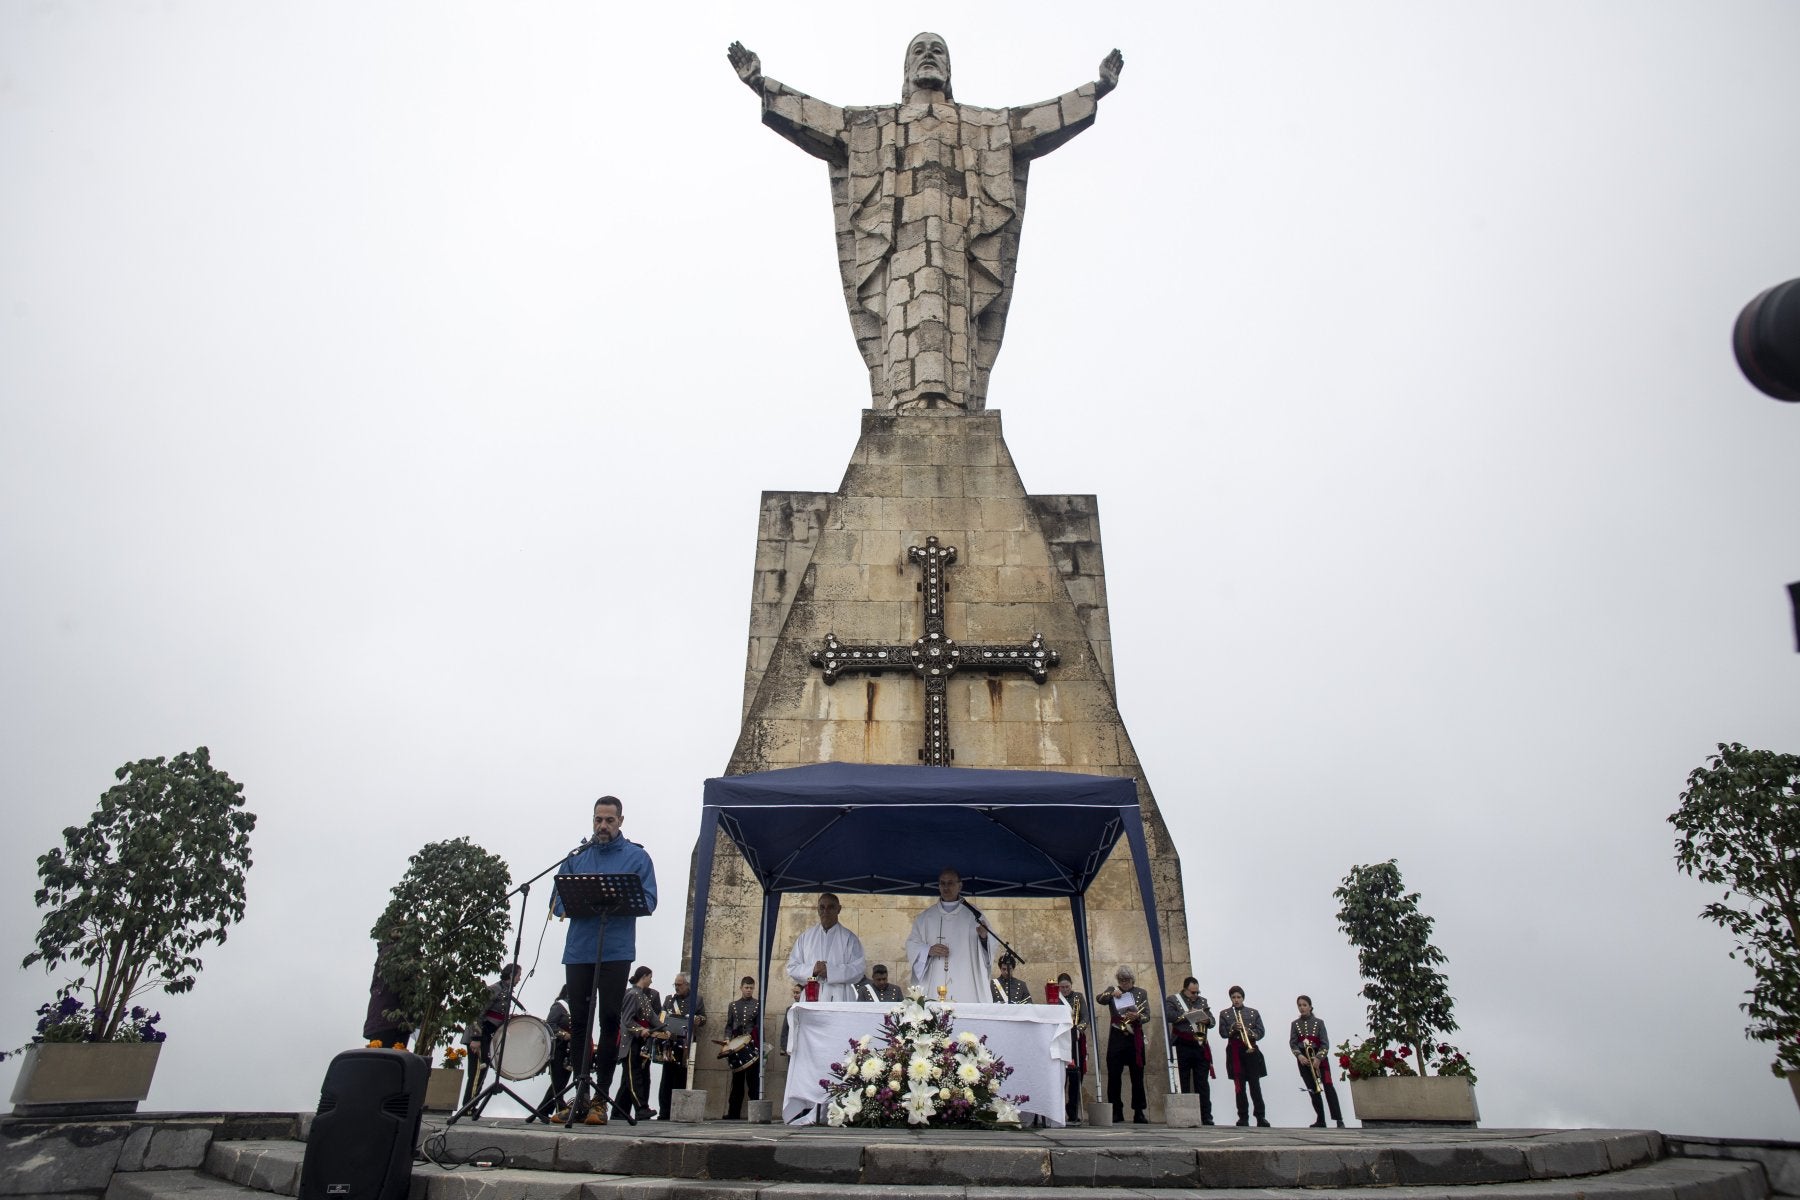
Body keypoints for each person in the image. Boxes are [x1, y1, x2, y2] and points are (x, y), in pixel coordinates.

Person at [726, 34, 1124, 412]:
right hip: (900, 251)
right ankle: (903, 404)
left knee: (958, 320)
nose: (928, 55)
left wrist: (1096, 90)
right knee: (901, 319)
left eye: (937, 50)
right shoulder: (876, 124)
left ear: (949, 70)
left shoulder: (982, 125)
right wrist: (762, 85)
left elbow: (1036, 122)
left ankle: (956, 405)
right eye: (918, 50)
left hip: (959, 253)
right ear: (905, 70)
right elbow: (824, 122)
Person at [552, 794, 658, 1126]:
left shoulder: (637, 857)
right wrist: (566, 903)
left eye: (609, 820)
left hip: (615, 951)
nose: (603, 826)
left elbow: (650, 899)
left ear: (621, 822)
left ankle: (601, 1100)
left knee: (610, 1020)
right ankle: (580, 1097)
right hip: (579, 950)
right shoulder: (577, 857)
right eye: (598, 819)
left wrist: (616, 898)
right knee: (581, 1023)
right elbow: (556, 901)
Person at [904, 867, 992, 1001]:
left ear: (960, 885)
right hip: (934, 978)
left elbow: (989, 951)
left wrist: (984, 938)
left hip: (966, 979)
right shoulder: (925, 918)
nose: (946, 887)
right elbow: (912, 945)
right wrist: (928, 950)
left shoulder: (973, 916)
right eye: (942, 883)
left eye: (950, 883)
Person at [784, 893, 867, 1001]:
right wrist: (812, 970)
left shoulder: (850, 939)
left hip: (841, 997)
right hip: (812, 994)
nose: (825, 911)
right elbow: (792, 967)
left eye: (831, 907)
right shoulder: (805, 937)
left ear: (839, 909)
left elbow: (858, 969)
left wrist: (831, 971)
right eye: (822, 907)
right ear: (817, 910)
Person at [613, 966, 667, 1121]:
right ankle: (640, 1108)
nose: (651, 980)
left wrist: (665, 1029)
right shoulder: (632, 994)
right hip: (630, 1042)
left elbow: (651, 1017)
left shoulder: (642, 996)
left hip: (638, 1042)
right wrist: (640, 1030)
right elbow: (627, 1020)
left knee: (635, 1077)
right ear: (644, 976)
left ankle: (632, 1110)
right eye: (650, 977)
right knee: (632, 1077)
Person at [1097, 965, 1150, 1124]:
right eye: (1121, 980)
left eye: (1127, 980)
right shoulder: (1113, 990)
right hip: (1117, 1035)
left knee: (1137, 1076)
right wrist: (1111, 993)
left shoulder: (1141, 993)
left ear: (1132, 980)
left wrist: (1137, 1016)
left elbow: (1147, 1015)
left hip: (1134, 1036)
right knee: (1114, 1075)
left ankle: (1139, 1111)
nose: (1124, 983)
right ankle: (1116, 1111)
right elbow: (1100, 999)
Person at [1165, 977, 1215, 1125]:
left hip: (1199, 1044)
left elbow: (1212, 1020)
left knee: (1202, 1083)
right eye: (1192, 992)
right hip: (1182, 1044)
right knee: (1184, 1080)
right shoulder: (1174, 999)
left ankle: (1206, 1115)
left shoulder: (1202, 1001)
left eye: (1197, 992)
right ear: (1185, 990)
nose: (1195, 995)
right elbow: (1170, 1016)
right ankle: (1186, 1115)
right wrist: (1187, 1015)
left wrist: (1206, 1020)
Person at [1290, 995, 1345, 1128]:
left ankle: (1338, 1119)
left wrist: (1319, 1058)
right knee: (1312, 1089)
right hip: (1304, 1060)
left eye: (1304, 1005)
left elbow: (1325, 1043)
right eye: (1300, 1005)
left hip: (1320, 1059)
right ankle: (1321, 1119)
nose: (1302, 1008)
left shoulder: (1319, 1022)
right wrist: (1300, 1056)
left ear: (1310, 1007)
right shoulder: (1295, 1024)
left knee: (1328, 1086)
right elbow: (1293, 1043)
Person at [1218, 985, 1269, 1127]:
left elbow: (1261, 1032)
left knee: (1255, 1085)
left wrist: (1249, 1031)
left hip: (1251, 1050)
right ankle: (1243, 1116)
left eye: (1238, 997)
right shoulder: (1225, 1014)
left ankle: (1260, 1116)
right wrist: (1233, 1027)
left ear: (1243, 998)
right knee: (1239, 1086)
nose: (1236, 1000)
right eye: (1233, 997)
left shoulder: (1253, 1013)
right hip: (1235, 1051)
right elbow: (1222, 1033)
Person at [657, 971, 704, 1120]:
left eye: (679, 985)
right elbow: (662, 1017)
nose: (676, 988)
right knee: (667, 1078)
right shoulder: (669, 1000)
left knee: (682, 1077)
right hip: (670, 1042)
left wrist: (698, 1020)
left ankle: (678, 1111)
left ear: (687, 985)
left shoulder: (696, 1000)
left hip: (685, 1044)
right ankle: (664, 1111)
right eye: (675, 985)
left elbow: (703, 1018)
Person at [722, 976, 761, 1120]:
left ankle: (756, 1114)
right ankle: (733, 1113)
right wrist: (727, 1040)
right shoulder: (733, 1005)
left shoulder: (758, 1004)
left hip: (751, 1046)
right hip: (736, 1048)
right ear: (741, 988)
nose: (749, 990)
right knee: (737, 1082)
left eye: (751, 988)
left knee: (753, 1082)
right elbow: (729, 1025)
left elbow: (758, 1027)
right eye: (746, 987)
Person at [538, 985, 573, 1122]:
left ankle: (543, 1110)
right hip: (558, 1048)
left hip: (569, 1050)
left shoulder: (575, 1008)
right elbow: (550, 1025)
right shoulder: (559, 1006)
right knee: (558, 1082)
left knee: (561, 1082)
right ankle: (559, 1109)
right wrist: (563, 1034)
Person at [1058, 972, 1088, 1123]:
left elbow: (1085, 1016)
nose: (1065, 990)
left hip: (1076, 1039)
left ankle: (1073, 1109)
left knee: (1076, 1076)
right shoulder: (1055, 999)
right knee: (1061, 1077)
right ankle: (1059, 1109)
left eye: (1067, 987)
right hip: (1062, 1040)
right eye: (1062, 987)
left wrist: (1080, 1029)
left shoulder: (1078, 997)